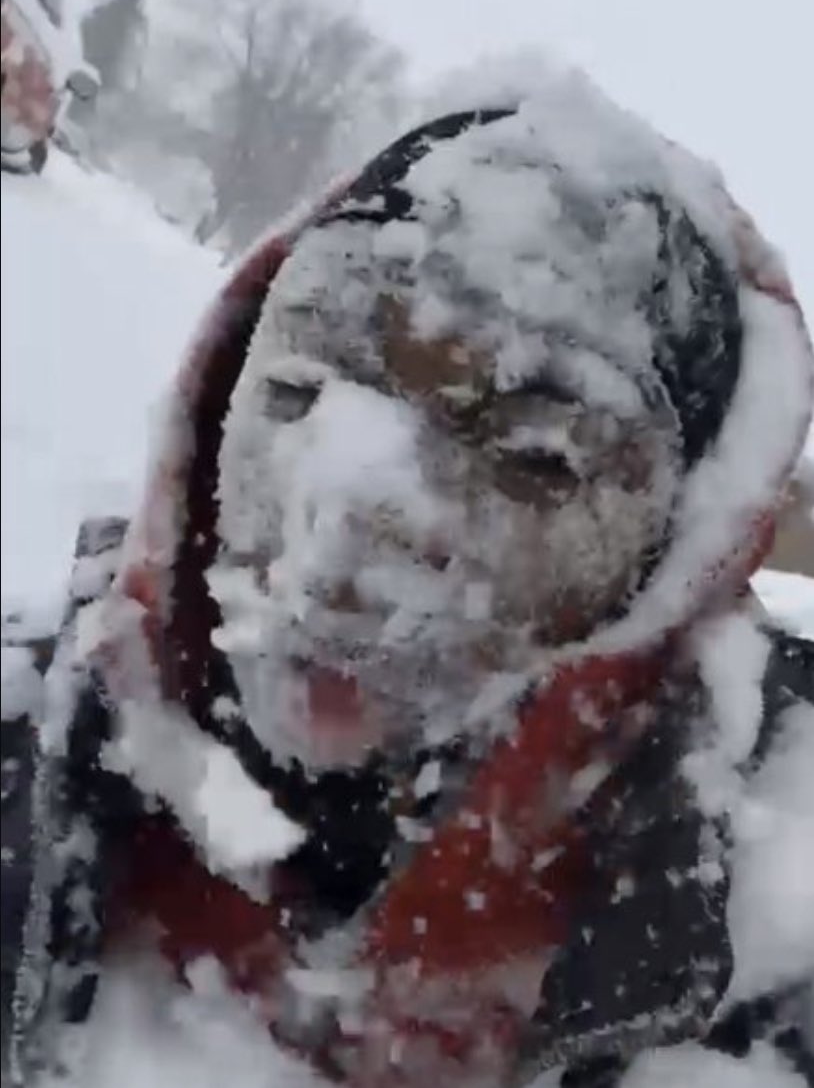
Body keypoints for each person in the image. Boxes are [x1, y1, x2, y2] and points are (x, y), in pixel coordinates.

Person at [2, 69, 813, 1088]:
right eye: (298, 388)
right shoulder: (28, 732)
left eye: (533, 459)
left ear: (672, 562)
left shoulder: (781, 901)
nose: (343, 537)